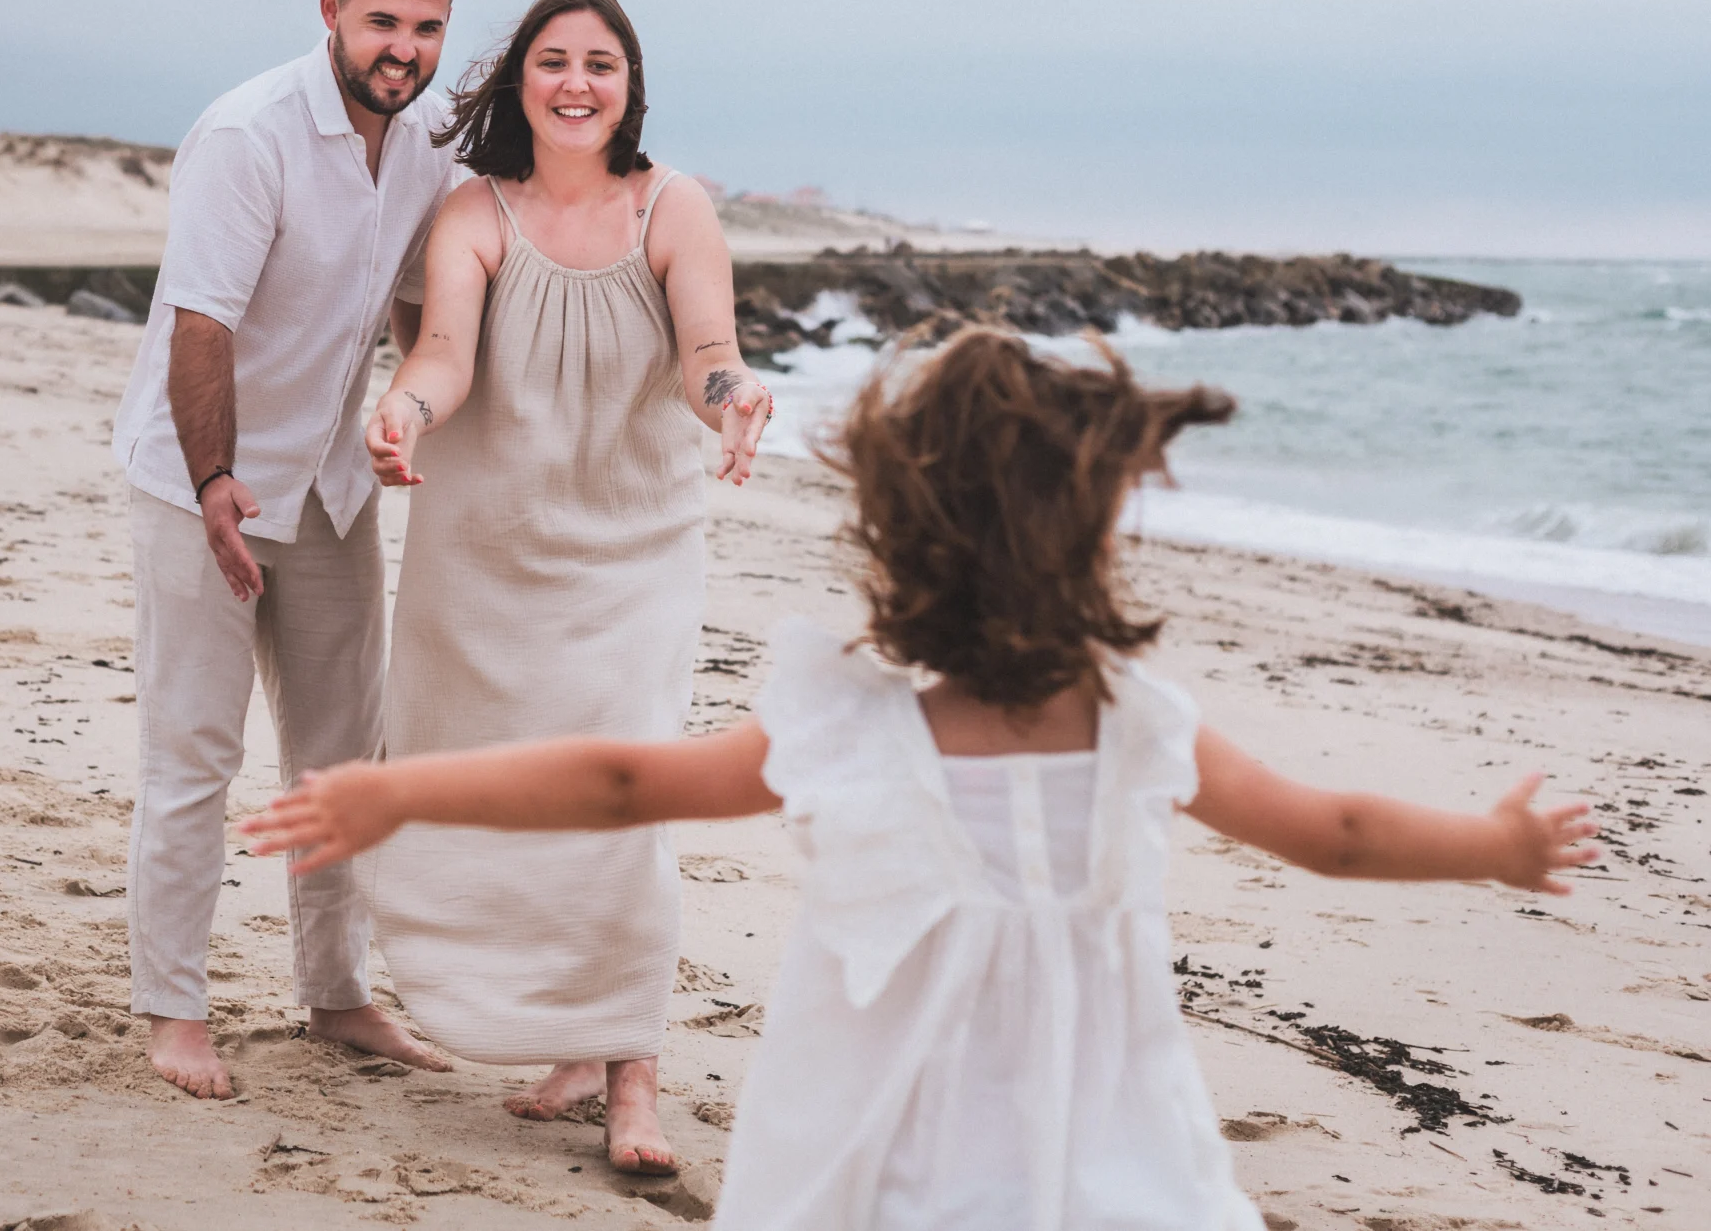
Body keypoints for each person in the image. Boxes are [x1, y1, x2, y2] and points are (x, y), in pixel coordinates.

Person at [247, 329, 1598, 1227]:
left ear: (902, 529)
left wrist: (406, 789)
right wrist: (1495, 842)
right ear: (1094, 533)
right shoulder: (1136, 721)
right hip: (1102, 1153)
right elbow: (1341, 832)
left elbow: (618, 780)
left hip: (881, 1157)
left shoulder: (841, 719)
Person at [356, 0, 775, 1174]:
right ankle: (572, 1042)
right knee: (502, 794)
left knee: (619, 801)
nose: (576, 83)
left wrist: (735, 399)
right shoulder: (475, 211)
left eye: (600, 63)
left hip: (631, 559)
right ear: (520, 81)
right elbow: (442, 354)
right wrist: (403, 414)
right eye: (553, 61)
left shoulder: (671, 205)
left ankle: (631, 1073)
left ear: (629, 86)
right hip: (483, 560)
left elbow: (707, 354)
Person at [109, 0, 464, 1099]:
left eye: (423, 28)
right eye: (380, 22)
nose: (400, 50)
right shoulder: (247, 135)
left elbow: (422, 310)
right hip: (195, 482)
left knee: (338, 759)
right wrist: (214, 483)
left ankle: (336, 994)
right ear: (331, 12)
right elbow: (199, 320)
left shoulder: (424, 155)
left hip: (330, 490)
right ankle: (174, 1010)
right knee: (194, 756)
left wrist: (413, 408)